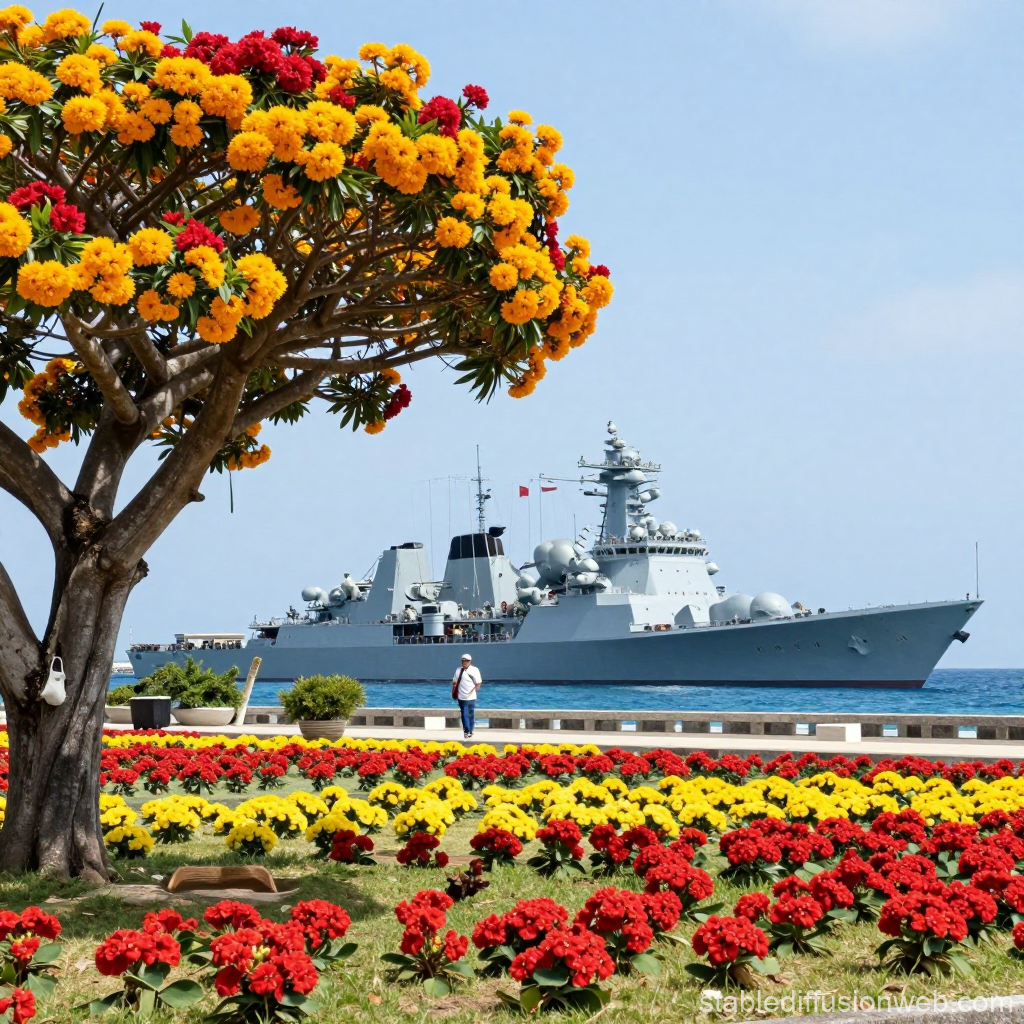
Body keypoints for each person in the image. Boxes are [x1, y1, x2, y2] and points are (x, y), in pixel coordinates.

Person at [452, 653, 482, 739]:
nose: (464, 662)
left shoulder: (475, 670)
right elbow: (454, 682)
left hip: (471, 697)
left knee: (471, 714)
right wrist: (454, 691)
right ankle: (466, 731)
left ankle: (471, 730)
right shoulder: (458, 670)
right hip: (461, 697)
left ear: (470, 662)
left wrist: (473, 691)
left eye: (467, 661)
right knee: (464, 713)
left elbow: (478, 683)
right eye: (463, 661)